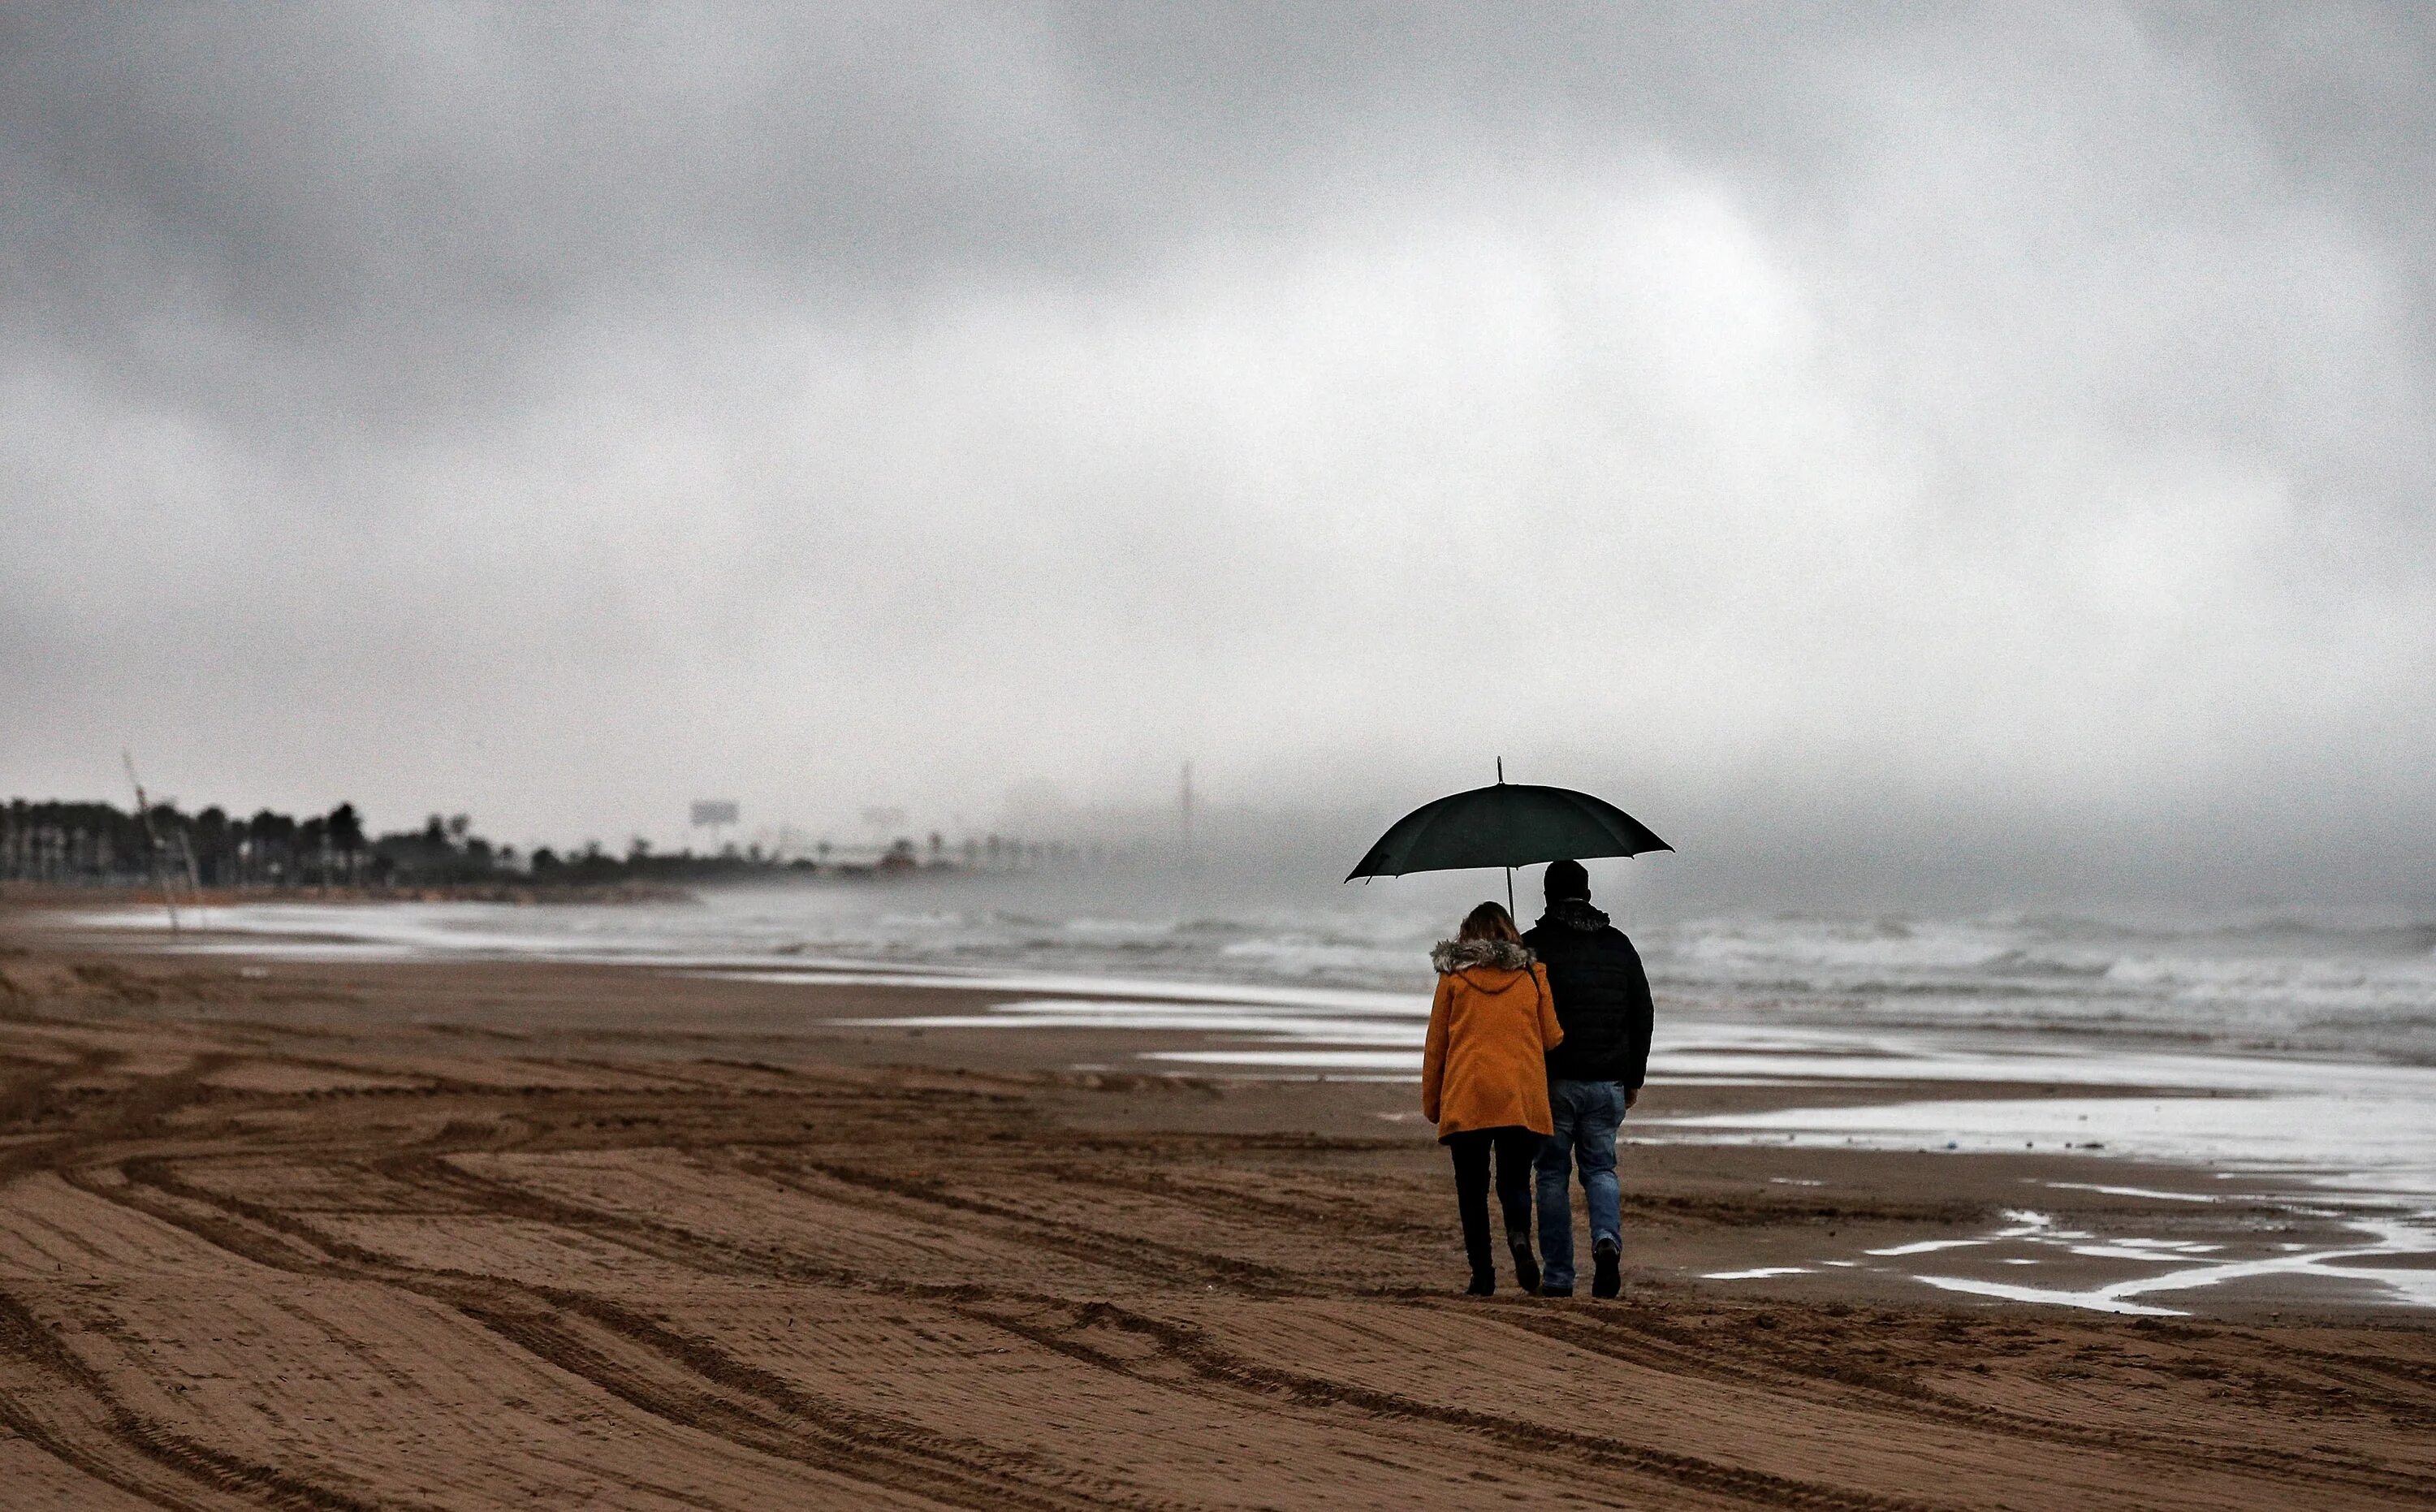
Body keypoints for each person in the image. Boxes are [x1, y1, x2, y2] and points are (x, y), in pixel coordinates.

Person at [1522, 859, 1654, 1299]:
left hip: (1552, 1080)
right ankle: (1606, 1242)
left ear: (1546, 897)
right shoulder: (1618, 945)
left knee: (1552, 1175)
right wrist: (1633, 1075)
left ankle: (1559, 1277)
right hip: (1607, 1080)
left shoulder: (1533, 947)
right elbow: (1643, 1012)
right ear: (1589, 894)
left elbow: (1516, 1018)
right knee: (1601, 1169)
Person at [1422, 901, 1566, 1296]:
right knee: (1515, 1183)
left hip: (1467, 1095)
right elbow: (1551, 1036)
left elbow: (1437, 1045)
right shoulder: (1533, 975)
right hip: (1518, 1096)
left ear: (1468, 934)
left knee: (1471, 1190)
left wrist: (1432, 1103)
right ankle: (1519, 1238)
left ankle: (1482, 1275)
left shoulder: (1453, 979)